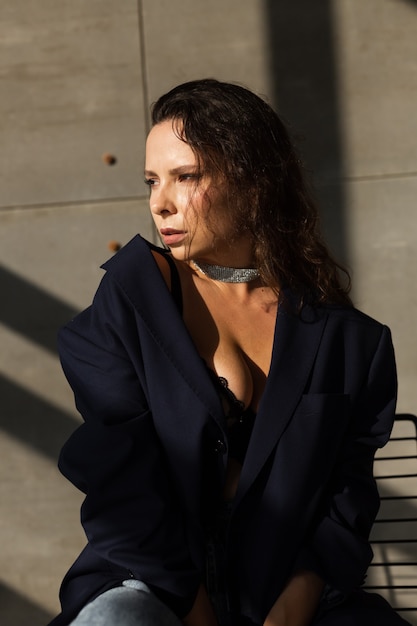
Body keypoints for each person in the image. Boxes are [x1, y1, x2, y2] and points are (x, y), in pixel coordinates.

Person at [48, 79, 409, 626]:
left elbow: (346, 497)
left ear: (253, 181)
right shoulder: (135, 297)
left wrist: (290, 610)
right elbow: (121, 479)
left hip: (287, 591)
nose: (159, 203)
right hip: (155, 582)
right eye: (151, 180)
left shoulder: (349, 340)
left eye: (185, 177)